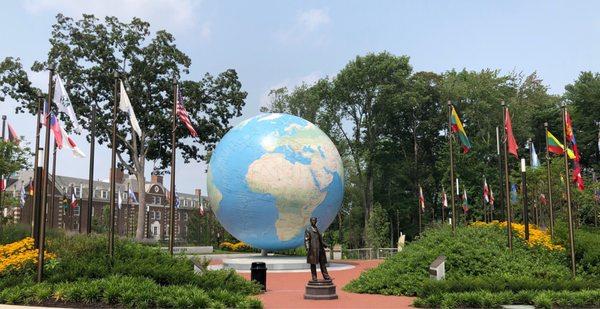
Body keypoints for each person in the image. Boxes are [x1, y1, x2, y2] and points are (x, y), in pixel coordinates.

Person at [304, 217, 331, 281]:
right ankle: (314, 277)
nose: (314, 221)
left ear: (316, 221)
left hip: (320, 249)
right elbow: (306, 240)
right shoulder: (308, 229)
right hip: (313, 249)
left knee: (323, 264)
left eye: (315, 220)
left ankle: (326, 276)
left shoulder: (317, 229)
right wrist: (308, 248)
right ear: (310, 221)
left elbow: (320, 240)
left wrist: (325, 245)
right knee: (313, 264)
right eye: (313, 220)